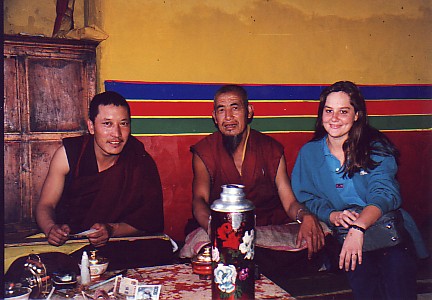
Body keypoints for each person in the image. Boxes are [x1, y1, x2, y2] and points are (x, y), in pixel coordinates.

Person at [291, 81, 428, 299]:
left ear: (357, 115)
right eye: (329, 111)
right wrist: (332, 215)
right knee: (364, 287)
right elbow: (307, 197)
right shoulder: (310, 153)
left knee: (397, 282)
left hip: (386, 230)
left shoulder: (375, 147)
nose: (334, 118)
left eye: (343, 111)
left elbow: (385, 194)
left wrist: (359, 227)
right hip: (347, 236)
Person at [180, 84, 327, 276]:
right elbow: (199, 199)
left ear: (249, 112)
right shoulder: (205, 151)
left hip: (266, 226)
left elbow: (289, 201)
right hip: (222, 226)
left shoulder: (270, 148)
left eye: (235, 107)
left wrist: (305, 216)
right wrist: (212, 226)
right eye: (221, 110)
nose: (229, 117)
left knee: (319, 233)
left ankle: (243, 264)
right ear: (214, 117)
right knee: (206, 244)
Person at [35, 91, 173, 269]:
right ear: (91, 127)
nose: (116, 134)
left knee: (159, 250)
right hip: (70, 241)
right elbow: (45, 204)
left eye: (123, 124)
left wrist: (111, 229)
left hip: (115, 243)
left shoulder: (140, 160)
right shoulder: (70, 154)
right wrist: (50, 228)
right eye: (107, 124)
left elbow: (148, 221)